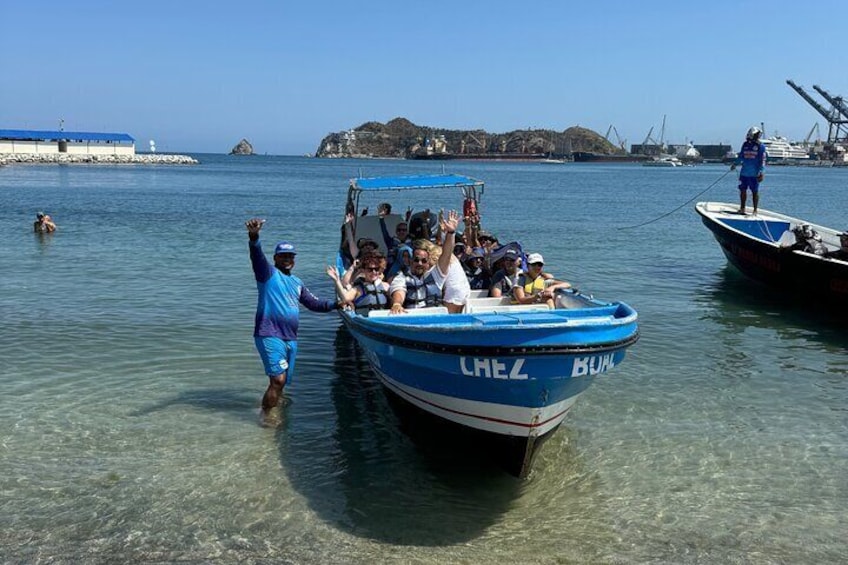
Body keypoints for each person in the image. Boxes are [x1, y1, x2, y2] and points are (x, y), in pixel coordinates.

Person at [245, 218, 344, 417]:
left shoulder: (297, 282)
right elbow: (256, 255)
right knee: (278, 380)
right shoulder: (267, 273)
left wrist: (337, 304)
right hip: (269, 333)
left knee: (281, 382)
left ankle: (272, 407)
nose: (287, 259)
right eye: (283, 256)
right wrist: (254, 236)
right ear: (275, 258)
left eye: (290, 256)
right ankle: (265, 417)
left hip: (290, 337)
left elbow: (314, 303)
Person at [389, 210, 468, 313]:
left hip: (435, 318)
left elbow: (447, 253)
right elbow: (399, 291)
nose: (420, 263)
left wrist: (451, 233)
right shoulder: (402, 277)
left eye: (424, 261)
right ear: (410, 261)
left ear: (428, 262)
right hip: (413, 317)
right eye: (416, 260)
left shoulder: (436, 275)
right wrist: (397, 304)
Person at [730, 126, 767, 215]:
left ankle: (755, 210)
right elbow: (741, 156)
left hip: (754, 174)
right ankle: (742, 208)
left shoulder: (761, 147)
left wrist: (761, 172)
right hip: (744, 173)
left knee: (755, 191)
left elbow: (763, 161)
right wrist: (735, 164)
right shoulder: (745, 145)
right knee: (742, 190)